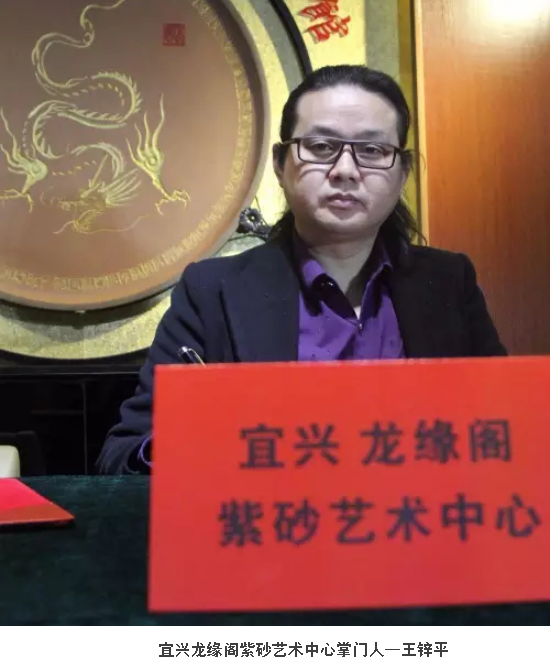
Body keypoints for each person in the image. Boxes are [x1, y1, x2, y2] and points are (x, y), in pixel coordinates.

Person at [96, 65, 506, 475]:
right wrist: (194, 442)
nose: (345, 170)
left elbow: (505, 426)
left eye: (372, 150)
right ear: (280, 164)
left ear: (403, 173)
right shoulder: (211, 292)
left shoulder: (449, 284)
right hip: (271, 512)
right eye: (321, 146)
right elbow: (122, 454)